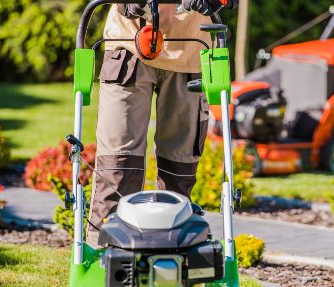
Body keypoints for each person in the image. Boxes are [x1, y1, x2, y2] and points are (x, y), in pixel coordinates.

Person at [86, 0, 236, 248]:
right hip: (129, 45)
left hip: (191, 52)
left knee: (180, 163)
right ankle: (101, 250)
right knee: (118, 161)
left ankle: (173, 249)